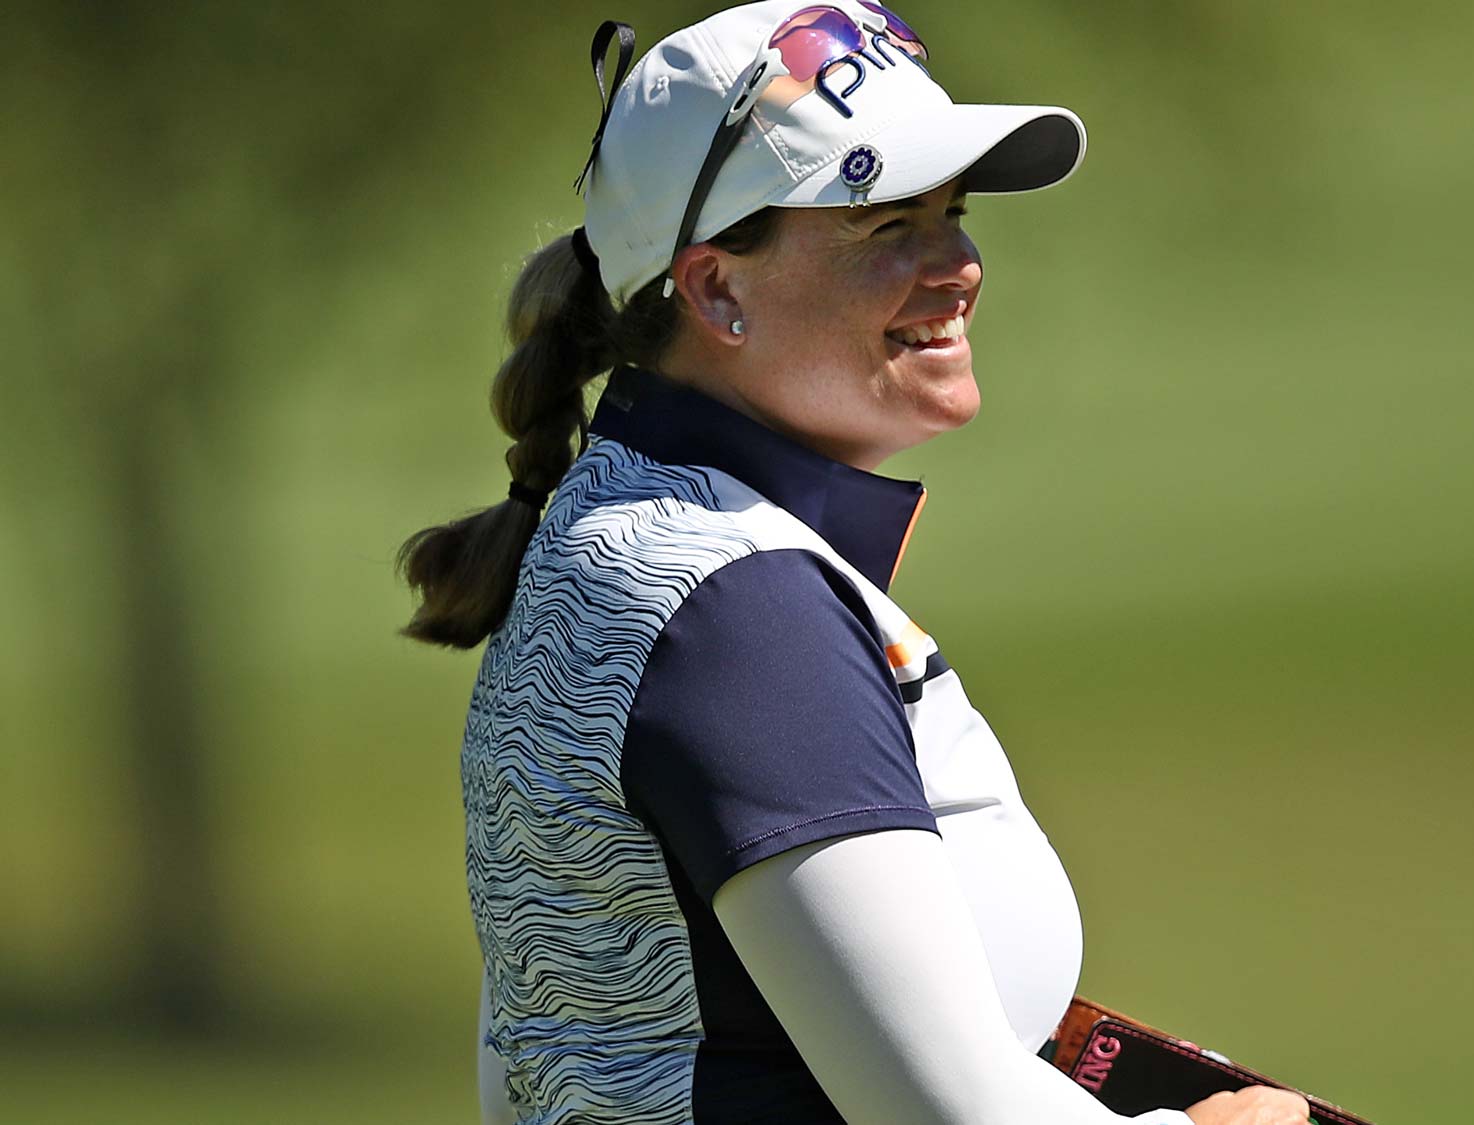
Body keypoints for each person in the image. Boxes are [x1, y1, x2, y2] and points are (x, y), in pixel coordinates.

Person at [399, 3, 1310, 1123]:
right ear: (715, 289)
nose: (960, 265)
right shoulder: (734, 610)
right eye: (886, 224)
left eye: (953, 213)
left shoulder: (616, 544)